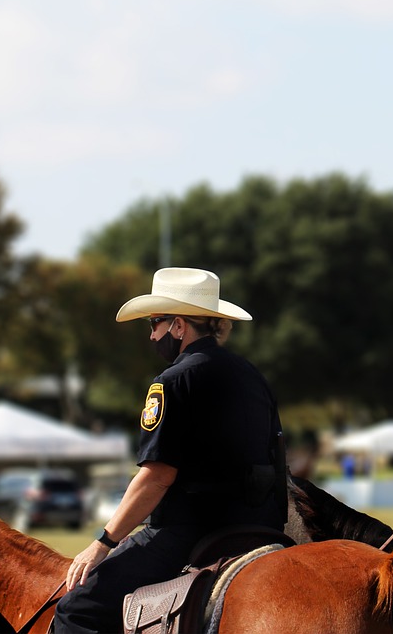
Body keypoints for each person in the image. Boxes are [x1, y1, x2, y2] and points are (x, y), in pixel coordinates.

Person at [54, 268, 286, 634]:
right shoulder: (252, 375)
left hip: (190, 531)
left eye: (155, 324)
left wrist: (103, 542)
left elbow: (158, 476)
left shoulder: (172, 382)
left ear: (179, 326)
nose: (151, 335)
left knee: (76, 608)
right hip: (261, 526)